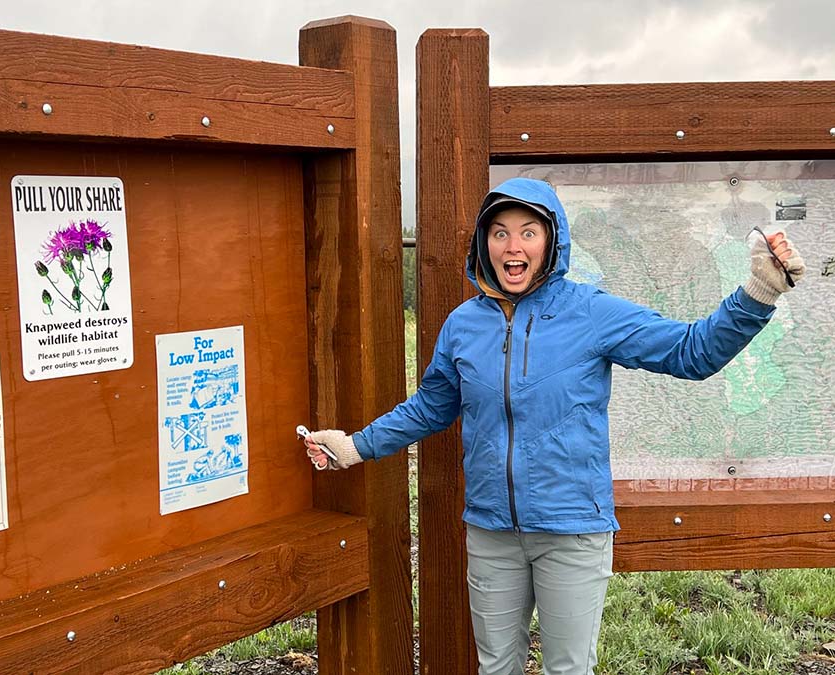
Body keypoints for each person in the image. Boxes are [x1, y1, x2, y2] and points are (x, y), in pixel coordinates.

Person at [301, 177, 805, 675]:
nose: (512, 246)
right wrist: (355, 446)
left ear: (552, 240)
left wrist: (758, 293)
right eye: (499, 232)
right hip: (492, 530)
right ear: (483, 243)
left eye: (528, 232)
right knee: (497, 666)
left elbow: (692, 353)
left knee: (567, 668)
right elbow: (432, 407)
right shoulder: (463, 324)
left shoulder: (590, 312)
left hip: (572, 530)